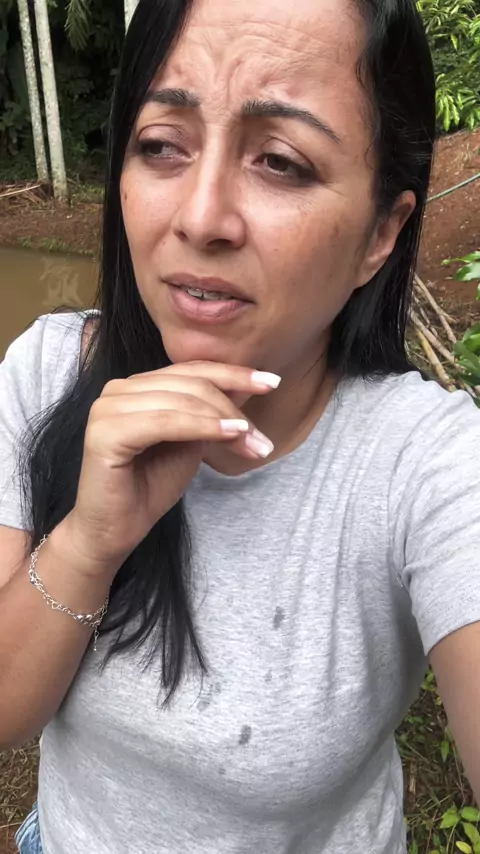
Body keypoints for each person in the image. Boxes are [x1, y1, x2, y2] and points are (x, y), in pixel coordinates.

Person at [1, 0, 480, 851]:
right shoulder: (45, 373)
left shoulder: (428, 464)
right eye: (162, 145)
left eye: (281, 162)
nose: (200, 218)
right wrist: (85, 546)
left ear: (381, 233)